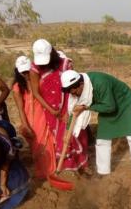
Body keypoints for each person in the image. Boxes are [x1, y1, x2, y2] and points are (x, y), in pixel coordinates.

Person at [60, 70, 131, 183]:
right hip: (104, 104)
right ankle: (102, 171)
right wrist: (67, 131)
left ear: (81, 84)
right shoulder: (75, 91)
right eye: (70, 91)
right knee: (102, 139)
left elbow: (110, 107)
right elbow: (73, 111)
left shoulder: (100, 82)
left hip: (123, 103)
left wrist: (86, 107)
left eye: (75, 90)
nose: (74, 93)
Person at [29, 39, 89, 172]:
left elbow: (73, 87)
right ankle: (67, 169)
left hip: (69, 106)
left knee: (74, 133)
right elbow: (36, 93)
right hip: (51, 109)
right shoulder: (34, 69)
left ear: (52, 53)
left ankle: (80, 164)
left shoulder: (65, 64)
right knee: (60, 138)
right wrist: (51, 110)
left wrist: (69, 111)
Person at [12, 56, 56, 179]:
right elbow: (20, 109)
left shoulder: (39, 80)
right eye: (23, 72)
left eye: (28, 71)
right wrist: (26, 125)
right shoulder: (17, 87)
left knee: (49, 142)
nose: (26, 74)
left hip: (44, 115)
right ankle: (42, 171)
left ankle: (51, 169)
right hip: (31, 120)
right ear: (18, 72)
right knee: (37, 146)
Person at [0, 120, 29, 209]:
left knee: (13, 165)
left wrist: (2, 185)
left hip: (6, 127)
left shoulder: (7, 146)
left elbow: (5, 166)